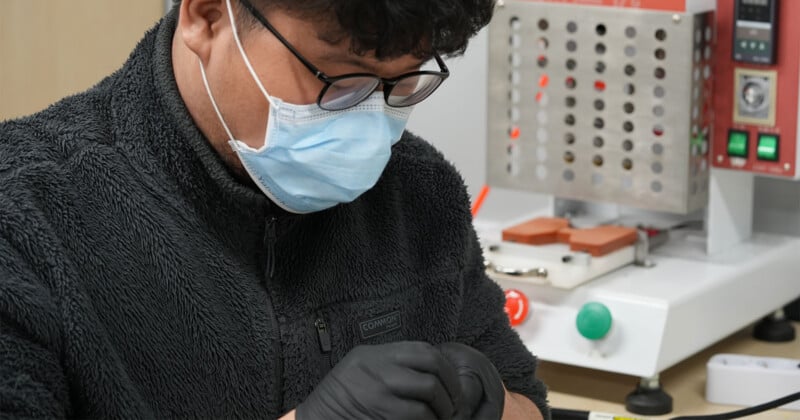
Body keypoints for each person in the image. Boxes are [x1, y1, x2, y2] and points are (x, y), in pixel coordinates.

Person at [0, 0, 550, 418]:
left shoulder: (420, 191)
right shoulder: (25, 217)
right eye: (340, 78)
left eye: (402, 83)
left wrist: (493, 402)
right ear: (208, 16)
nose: (367, 122)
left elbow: (528, 402)